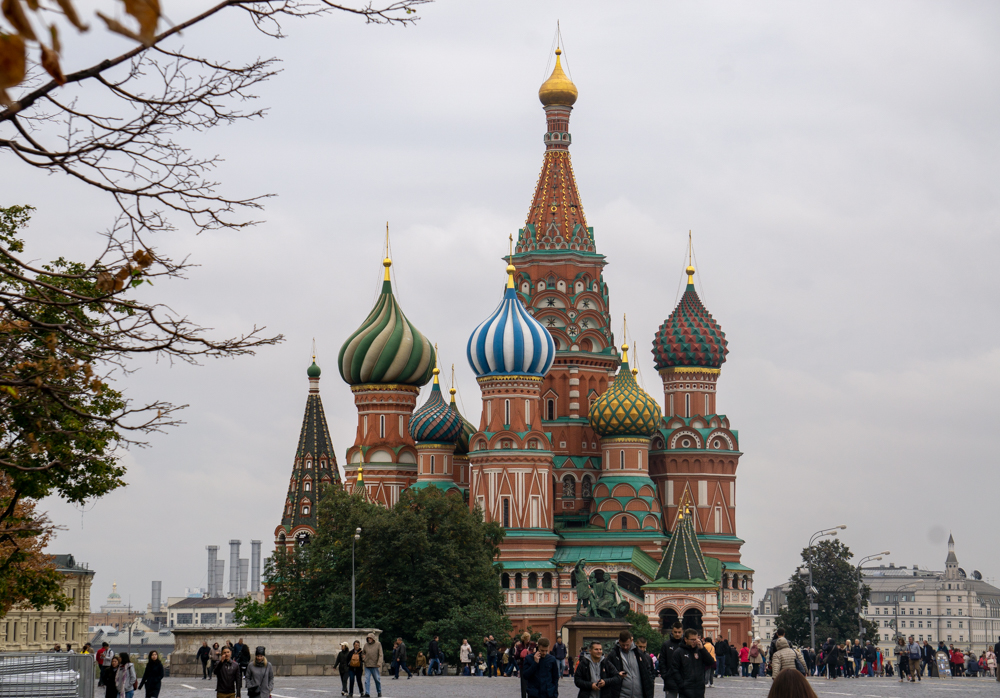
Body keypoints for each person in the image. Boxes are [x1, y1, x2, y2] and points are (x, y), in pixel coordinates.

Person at [666, 629, 714, 698]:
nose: (694, 642)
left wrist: (702, 649)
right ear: (686, 639)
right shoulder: (679, 652)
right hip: (685, 689)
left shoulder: (699, 650)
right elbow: (674, 670)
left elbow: (710, 662)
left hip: (699, 689)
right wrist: (681, 684)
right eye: (692, 640)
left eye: (696, 639)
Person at [659, 622, 685, 697]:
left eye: (679, 632)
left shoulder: (685, 645)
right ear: (672, 632)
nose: (677, 634)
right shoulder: (666, 645)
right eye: (675, 632)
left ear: (682, 632)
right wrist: (665, 675)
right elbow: (662, 661)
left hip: (684, 680)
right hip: (670, 680)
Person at [363, 632, 383, 698]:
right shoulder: (365, 645)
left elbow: (381, 654)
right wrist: (363, 658)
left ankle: (379, 691)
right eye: (368, 638)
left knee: (377, 679)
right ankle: (367, 693)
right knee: (366, 680)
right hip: (367, 665)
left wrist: (379, 663)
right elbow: (363, 653)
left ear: (373, 638)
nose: (369, 639)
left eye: (370, 638)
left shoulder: (378, 644)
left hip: (375, 665)